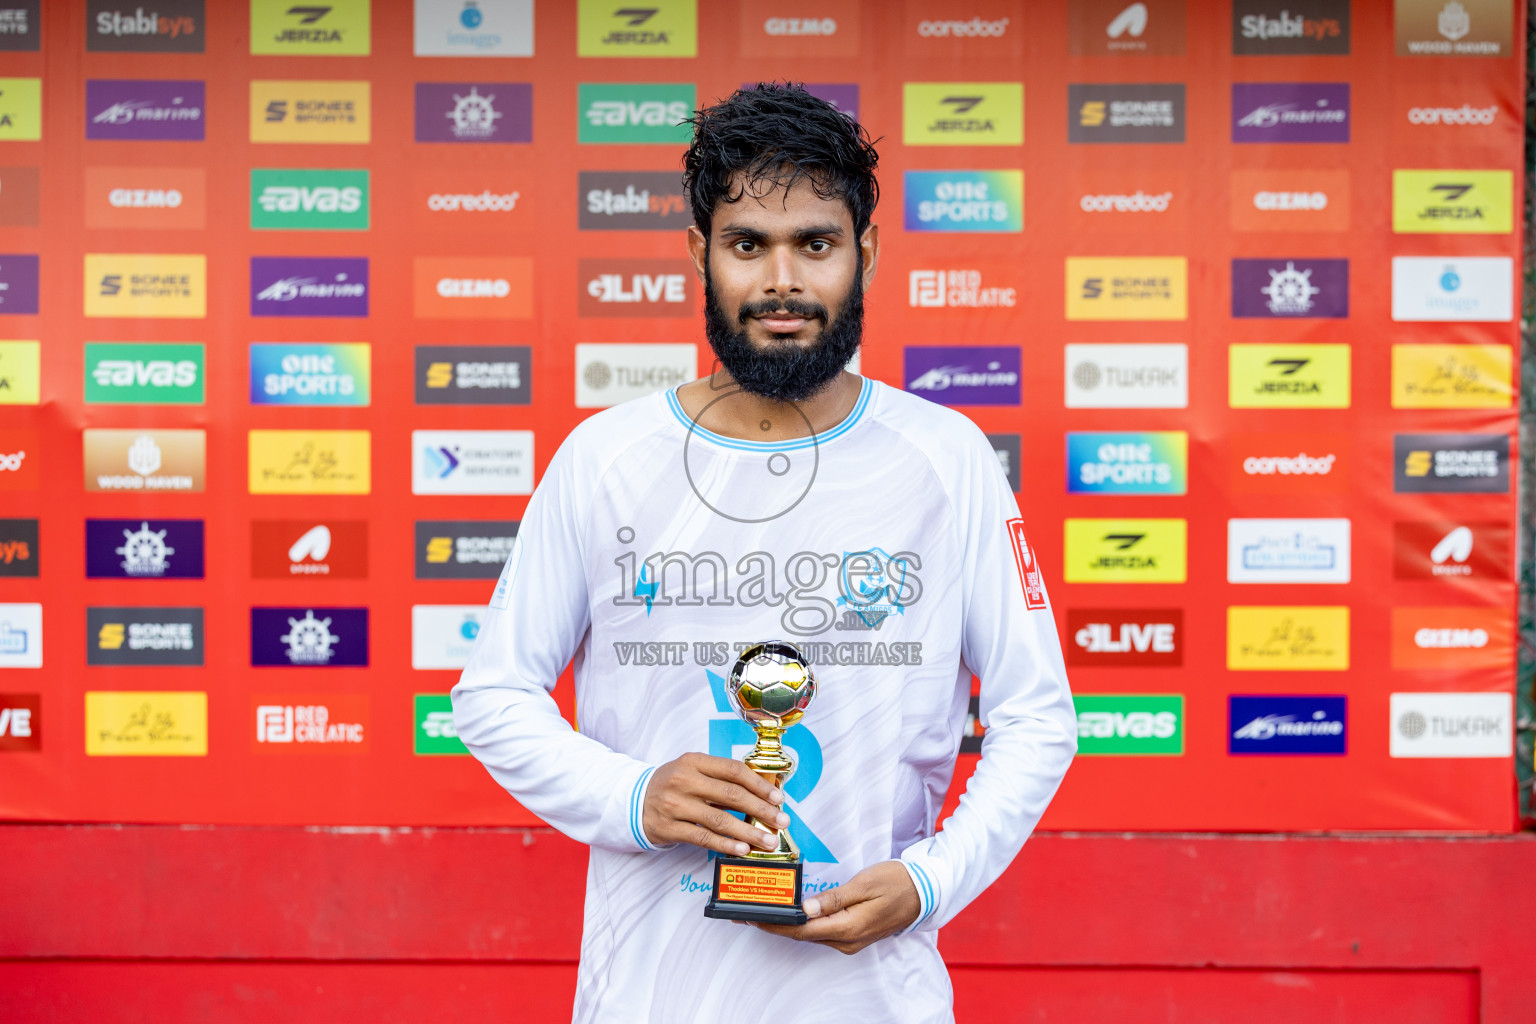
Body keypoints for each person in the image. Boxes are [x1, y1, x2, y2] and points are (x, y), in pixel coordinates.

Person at [452, 84, 1076, 1024]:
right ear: (700, 254)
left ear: (865, 252)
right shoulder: (607, 459)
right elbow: (493, 696)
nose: (782, 282)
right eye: (749, 245)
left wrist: (930, 882)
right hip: (649, 998)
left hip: (876, 998)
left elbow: (1038, 718)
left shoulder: (947, 461)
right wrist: (632, 796)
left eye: (815, 244)